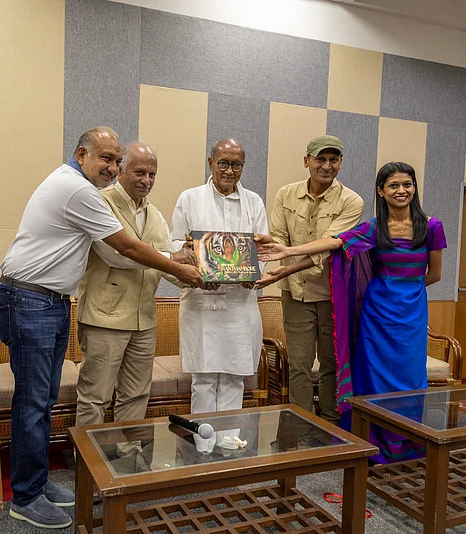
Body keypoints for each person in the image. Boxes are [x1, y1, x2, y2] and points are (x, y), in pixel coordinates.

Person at [0, 127, 203, 529]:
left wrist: (190, 266)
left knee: (44, 403)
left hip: (51, 301)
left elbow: (157, 249)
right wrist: (179, 266)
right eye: (107, 160)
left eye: (115, 160)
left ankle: (37, 484)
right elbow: (125, 250)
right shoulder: (82, 192)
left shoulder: (100, 194)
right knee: (36, 403)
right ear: (82, 154)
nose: (112, 168)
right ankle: (26, 495)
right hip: (32, 300)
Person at [257, 161, 446, 463]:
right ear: (381, 192)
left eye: (407, 184)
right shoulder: (374, 227)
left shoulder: (431, 227)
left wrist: (405, 290)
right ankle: (372, 445)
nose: (401, 190)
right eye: (393, 185)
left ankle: (407, 444)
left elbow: (434, 275)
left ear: (414, 188)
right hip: (377, 315)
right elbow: (336, 243)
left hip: (411, 316)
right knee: (373, 377)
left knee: (411, 378)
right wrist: (289, 252)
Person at [75, 142, 194, 453]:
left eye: (153, 174)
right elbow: (120, 255)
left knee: (136, 394)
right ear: (121, 170)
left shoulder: (154, 214)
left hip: (144, 319)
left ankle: (127, 458)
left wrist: (200, 278)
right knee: (96, 396)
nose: (147, 180)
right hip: (105, 317)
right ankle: (91, 462)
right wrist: (175, 261)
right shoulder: (100, 202)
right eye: (140, 172)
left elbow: (170, 267)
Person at [170, 138, 268, 441]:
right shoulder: (189, 198)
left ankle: (228, 445)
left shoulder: (254, 202)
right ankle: (202, 445)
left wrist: (255, 274)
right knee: (203, 380)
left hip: (240, 305)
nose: (229, 170)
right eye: (223, 163)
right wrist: (194, 272)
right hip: (202, 303)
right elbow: (174, 247)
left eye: (236, 164)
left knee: (233, 380)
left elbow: (263, 251)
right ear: (210, 162)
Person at [263, 135, 363, 426]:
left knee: (332, 365)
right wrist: (276, 259)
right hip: (295, 293)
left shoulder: (351, 201)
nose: (326, 165)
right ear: (306, 161)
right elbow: (278, 236)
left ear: (341, 164)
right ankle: (303, 428)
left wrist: (288, 260)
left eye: (333, 160)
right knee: (299, 365)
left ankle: (332, 426)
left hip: (334, 295)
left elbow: (331, 245)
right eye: (320, 158)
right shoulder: (286, 194)